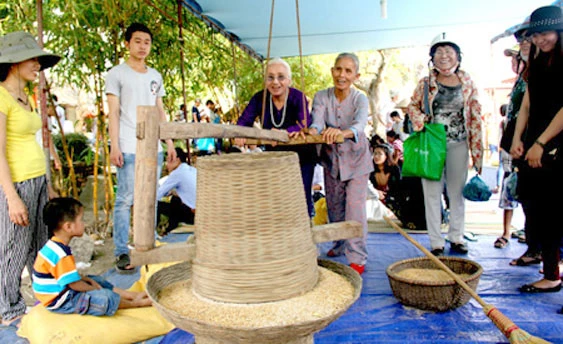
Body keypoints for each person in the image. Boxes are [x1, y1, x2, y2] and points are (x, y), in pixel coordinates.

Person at [0, 31, 60, 328]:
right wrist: (11, 196)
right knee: (13, 247)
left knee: (39, 245)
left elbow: (32, 141)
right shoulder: (0, 96)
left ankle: (43, 299)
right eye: (32, 59)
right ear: (13, 63)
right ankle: (7, 308)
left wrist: (46, 184)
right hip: (17, 183)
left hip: (36, 180)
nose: (37, 64)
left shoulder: (26, 97)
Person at [106, 22, 176, 273]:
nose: (142, 46)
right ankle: (121, 251)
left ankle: (147, 243)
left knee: (150, 198)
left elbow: (160, 109)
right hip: (127, 143)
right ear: (127, 43)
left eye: (147, 42)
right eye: (137, 41)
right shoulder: (117, 74)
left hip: (152, 146)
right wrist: (114, 146)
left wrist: (169, 142)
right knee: (125, 199)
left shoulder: (155, 76)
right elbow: (113, 113)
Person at [407, 33, 483, 256]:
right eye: (439, 52)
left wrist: (478, 150)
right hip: (432, 144)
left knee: (456, 192)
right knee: (431, 193)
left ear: (458, 56)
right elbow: (412, 106)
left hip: (459, 143)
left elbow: (476, 114)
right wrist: (420, 121)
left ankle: (457, 237)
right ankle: (436, 242)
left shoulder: (467, 81)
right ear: (432, 58)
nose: (444, 56)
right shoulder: (425, 83)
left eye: (449, 51)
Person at [510, 5, 563, 294]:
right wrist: (519, 138)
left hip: (555, 145)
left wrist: (542, 143)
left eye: (546, 33)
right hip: (535, 144)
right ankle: (552, 274)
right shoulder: (537, 60)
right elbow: (527, 103)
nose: (541, 39)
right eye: (536, 35)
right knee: (544, 213)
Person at [309, 52, 373, 275]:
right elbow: (316, 122)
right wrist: (312, 131)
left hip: (357, 161)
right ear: (332, 71)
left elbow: (360, 125)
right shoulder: (321, 96)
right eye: (338, 69)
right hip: (332, 161)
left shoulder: (360, 98)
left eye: (347, 71)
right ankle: (339, 243)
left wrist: (341, 132)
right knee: (335, 206)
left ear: (356, 75)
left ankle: (357, 257)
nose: (341, 75)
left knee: (354, 209)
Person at [32, 198, 152, 316]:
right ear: (68, 227)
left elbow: (68, 277)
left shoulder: (55, 246)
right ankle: (135, 304)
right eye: (81, 220)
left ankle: (130, 296)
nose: (84, 223)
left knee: (95, 280)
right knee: (105, 298)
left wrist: (89, 281)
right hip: (62, 301)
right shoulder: (61, 254)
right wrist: (96, 290)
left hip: (64, 291)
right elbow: (74, 285)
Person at [235, 57, 317, 218]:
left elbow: (304, 122)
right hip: (276, 156)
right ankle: (280, 239)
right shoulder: (259, 98)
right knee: (278, 200)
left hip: (302, 157)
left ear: (289, 80)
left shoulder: (297, 97)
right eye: (270, 77)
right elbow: (243, 122)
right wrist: (240, 133)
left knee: (301, 197)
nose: (275, 82)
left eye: (281, 77)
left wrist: (281, 133)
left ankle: (305, 236)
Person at [156, 147, 197, 234]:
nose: (166, 165)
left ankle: (155, 231)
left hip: (193, 214)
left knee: (157, 204)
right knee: (175, 199)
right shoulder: (191, 169)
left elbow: (158, 194)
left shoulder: (177, 173)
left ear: (177, 160)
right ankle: (170, 227)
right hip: (201, 211)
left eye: (168, 161)